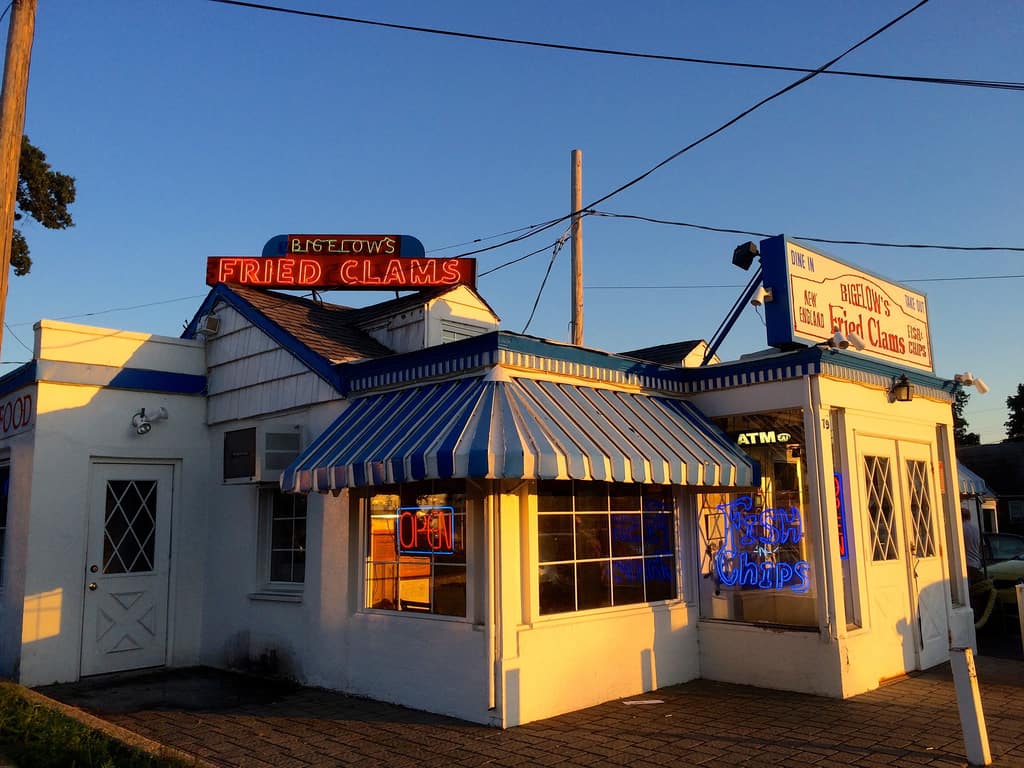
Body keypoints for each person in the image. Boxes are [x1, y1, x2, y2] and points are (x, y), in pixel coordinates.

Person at [961, 507, 983, 583]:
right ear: (969, 517)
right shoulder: (976, 529)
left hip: (966, 564)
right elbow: (981, 546)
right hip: (976, 564)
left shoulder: (961, 528)